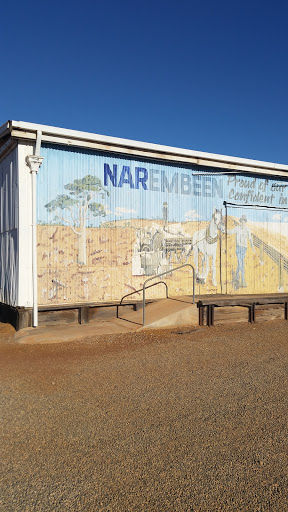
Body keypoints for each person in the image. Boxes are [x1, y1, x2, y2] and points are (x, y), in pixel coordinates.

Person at [227, 215, 254, 288]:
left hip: (244, 248)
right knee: (241, 262)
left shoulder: (248, 229)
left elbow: (250, 238)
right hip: (238, 248)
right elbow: (230, 232)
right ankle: (242, 280)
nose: (243, 222)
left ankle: (236, 277)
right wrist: (224, 229)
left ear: (245, 222)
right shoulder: (237, 228)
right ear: (240, 221)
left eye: (244, 221)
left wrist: (252, 247)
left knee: (240, 263)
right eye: (242, 221)